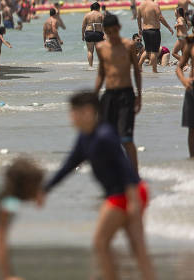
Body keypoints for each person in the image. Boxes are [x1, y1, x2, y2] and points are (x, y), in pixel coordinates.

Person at [43, 92, 156, 280]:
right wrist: (45, 189)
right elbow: (69, 166)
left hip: (127, 194)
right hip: (127, 193)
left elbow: (125, 167)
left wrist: (134, 201)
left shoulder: (105, 135)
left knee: (102, 243)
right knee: (136, 248)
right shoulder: (85, 137)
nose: (70, 117)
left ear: (87, 112)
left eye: (73, 112)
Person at [95, 13, 142, 172]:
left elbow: (136, 70)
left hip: (126, 95)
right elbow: (101, 73)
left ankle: (134, 176)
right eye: (108, 32)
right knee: (107, 137)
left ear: (119, 28)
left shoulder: (128, 45)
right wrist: (94, 96)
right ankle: (114, 174)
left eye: (114, 31)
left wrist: (139, 95)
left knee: (126, 138)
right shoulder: (101, 47)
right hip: (108, 96)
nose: (112, 35)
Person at [137, 0, 173, 73]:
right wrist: (169, 27)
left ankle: (139, 65)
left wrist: (139, 29)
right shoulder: (155, 5)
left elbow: (138, 18)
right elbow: (160, 17)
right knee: (154, 51)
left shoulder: (141, 5)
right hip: (154, 31)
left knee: (147, 50)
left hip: (145, 31)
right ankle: (154, 70)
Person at [175, 21, 194, 157]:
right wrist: (184, 80)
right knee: (192, 129)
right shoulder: (190, 43)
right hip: (192, 87)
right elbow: (179, 67)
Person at [82, 2, 104, 67]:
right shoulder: (100, 15)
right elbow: (105, 25)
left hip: (89, 33)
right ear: (98, 8)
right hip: (98, 33)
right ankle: (101, 66)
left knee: (90, 51)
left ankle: (90, 66)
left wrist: (82, 35)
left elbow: (83, 26)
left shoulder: (87, 15)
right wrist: (105, 34)